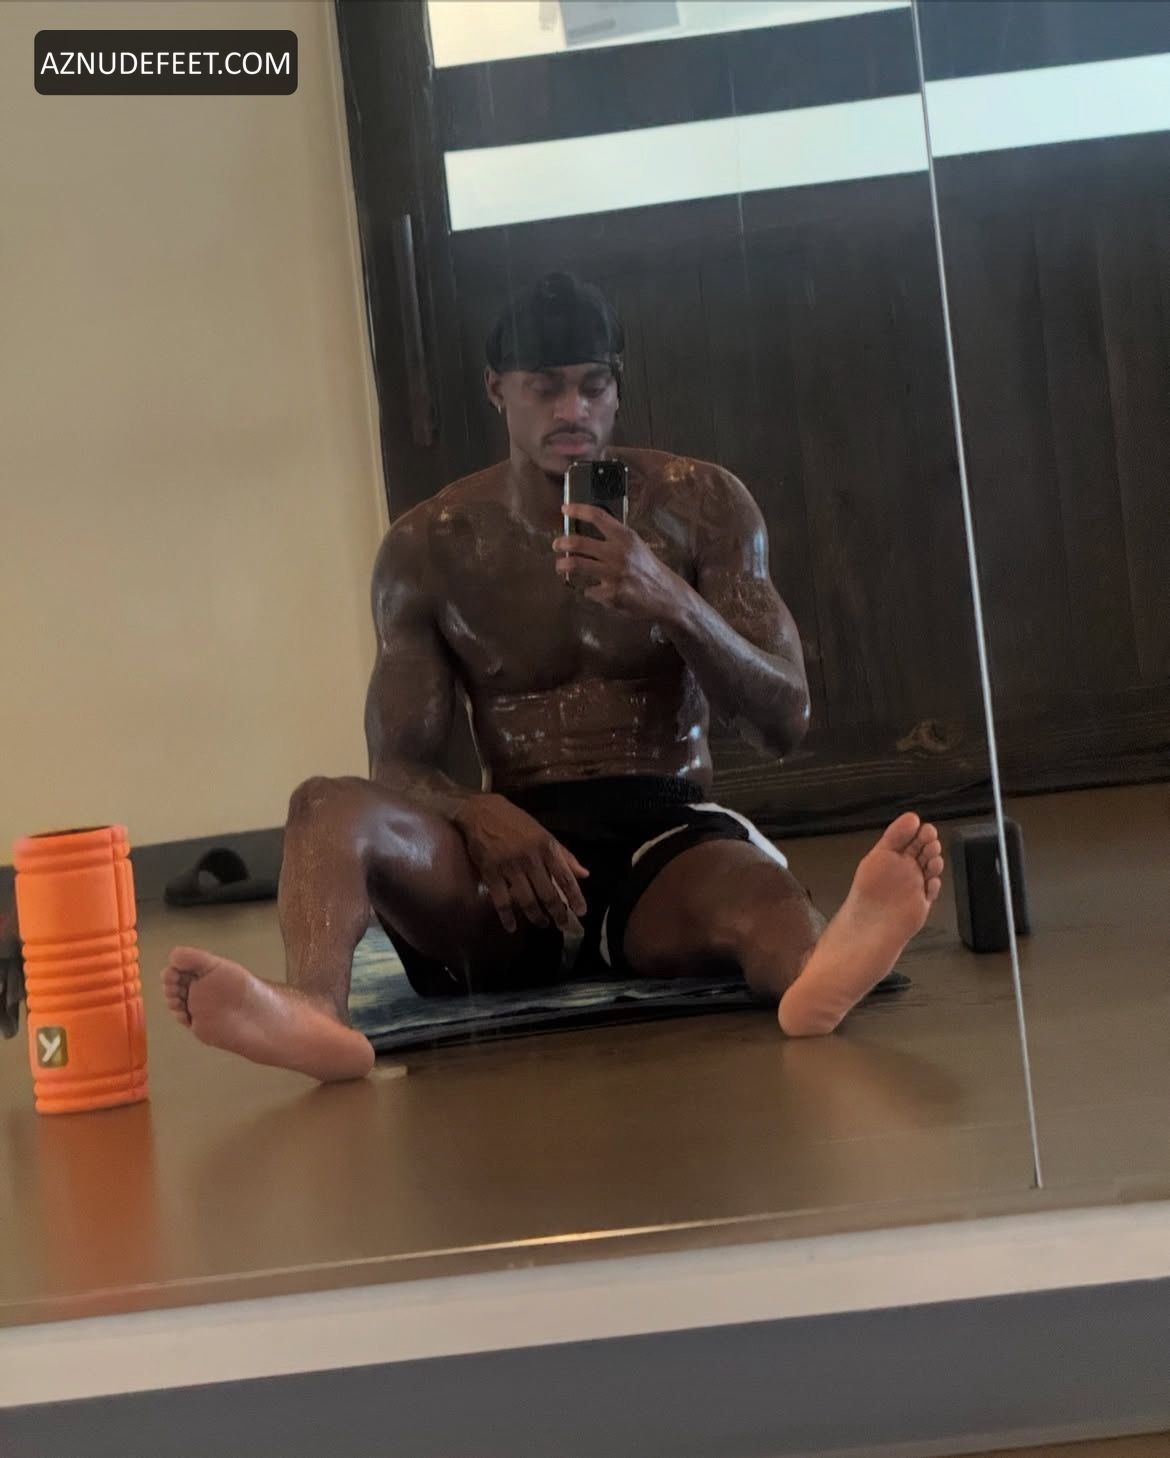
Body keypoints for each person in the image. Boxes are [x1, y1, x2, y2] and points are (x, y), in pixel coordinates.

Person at [164, 272, 944, 1082]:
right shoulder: (429, 547)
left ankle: (819, 974)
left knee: (763, 899)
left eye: (593, 386)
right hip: (508, 866)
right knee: (323, 806)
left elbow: (786, 719)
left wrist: (673, 601)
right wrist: (476, 813)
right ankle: (314, 1011)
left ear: (617, 390)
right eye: (545, 389)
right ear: (497, 391)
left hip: (664, 838)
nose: (573, 410)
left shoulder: (703, 506)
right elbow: (397, 764)